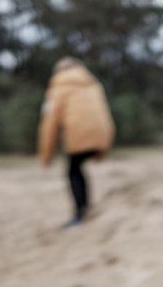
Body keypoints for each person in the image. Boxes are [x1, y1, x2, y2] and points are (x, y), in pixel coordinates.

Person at [38, 57, 115, 228]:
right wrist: (103, 146)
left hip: (77, 134)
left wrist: (46, 155)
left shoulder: (58, 88)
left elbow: (49, 123)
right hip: (100, 133)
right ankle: (86, 207)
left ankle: (80, 214)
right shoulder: (94, 85)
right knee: (78, 168)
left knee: (73, 171)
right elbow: (104, 115)